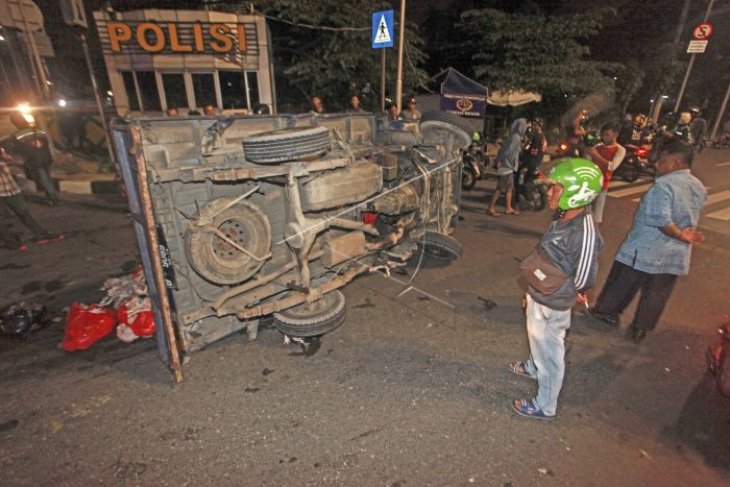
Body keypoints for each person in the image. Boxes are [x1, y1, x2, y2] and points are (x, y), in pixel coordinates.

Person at [510, 158, 604, 420]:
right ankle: (532, 367)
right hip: (541, 290)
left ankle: (545, 404)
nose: (549, 193)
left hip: (554, 299)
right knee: (534, 334)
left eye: (556, 188)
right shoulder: (563, 215)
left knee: (550, 352)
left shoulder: (585, 231)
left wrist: (567, 292)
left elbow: (585, 275)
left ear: (577, 192)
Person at [588, 141, 706, 343]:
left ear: (676, 162)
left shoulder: (664, 185)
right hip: (674, 254)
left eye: (662, 162)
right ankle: (640, 328)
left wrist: (679, 234)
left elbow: (661, 219)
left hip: (645, 247)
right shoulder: (699, 187)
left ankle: (606, 311)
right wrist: (682, 236)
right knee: (657, 293)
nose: (657, 165)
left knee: (622, 282)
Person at [0, 148, 62, 250]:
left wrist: (5, 157)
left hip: (9, 187)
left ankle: (40, 234)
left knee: (23, 211)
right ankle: (10, 241)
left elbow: (9, 161)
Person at [5, 114, 60, 206]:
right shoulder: (39, 130)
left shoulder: (17, 135)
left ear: (16, 124)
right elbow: (46, 143)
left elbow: (15, 149)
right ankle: (51, 196)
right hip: (46, 157)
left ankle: (53, 198)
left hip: (34, 160)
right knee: (47, 177)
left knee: (43, 179)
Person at [586, 122, 626, 224]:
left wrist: (595, 155)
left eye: (607, 135)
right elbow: (587, 161)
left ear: (615, 135)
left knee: (596, 217)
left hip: (602, 185)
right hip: (589, 183)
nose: (604, 137)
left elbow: (611, 167)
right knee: (583, 215)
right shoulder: (598, 146)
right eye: (603, 135)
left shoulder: (620, 150)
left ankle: (594, 237)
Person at [488, 118, 527, 217]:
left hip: (509, 166)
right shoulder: (515, 138)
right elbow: (507, 151)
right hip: (506, 166)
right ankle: (490, 208)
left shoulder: (514, 136)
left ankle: (508, 208)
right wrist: (500, 161)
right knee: (500, 188)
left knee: (509, 188)